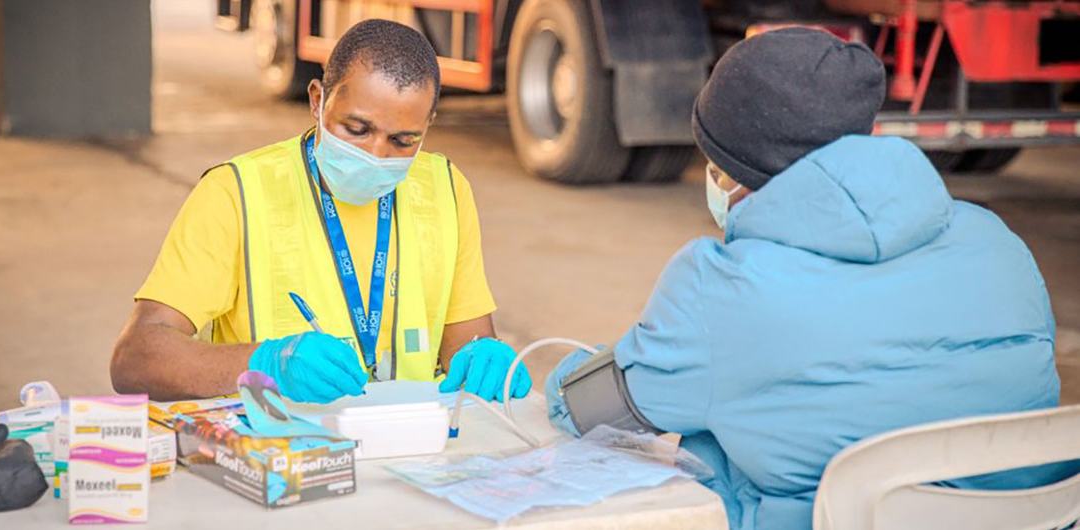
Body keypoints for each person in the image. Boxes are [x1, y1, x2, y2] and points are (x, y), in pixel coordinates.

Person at [546, 28, 1079, 530]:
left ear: (740, 172)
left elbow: (585, 411)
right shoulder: (996, 243)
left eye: (717, 166)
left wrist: (611, 362)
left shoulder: (719, 289)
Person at [111, 19, 530, 404]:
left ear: (429, 124)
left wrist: (483, 362)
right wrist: (266, 364)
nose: (376, 155)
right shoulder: (235, 193)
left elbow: (467, 349)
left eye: (403, 140)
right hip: (281, 457)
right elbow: (135, 359)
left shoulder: (445, 188)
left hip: (407, 451)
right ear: (318, 101)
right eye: (357, 129)